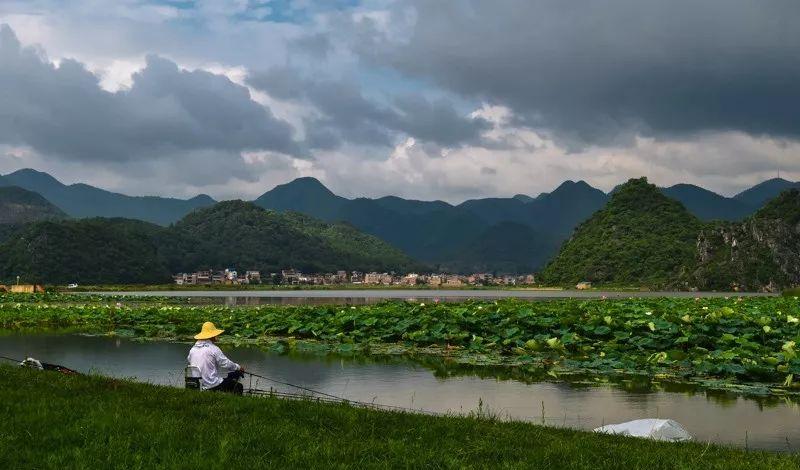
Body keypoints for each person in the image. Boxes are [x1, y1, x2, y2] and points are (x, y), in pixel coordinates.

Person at [187, 321, 245, 394]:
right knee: (239, 386)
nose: (217, 336)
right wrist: (239, 367)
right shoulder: (213, 348)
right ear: (212, 336)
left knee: (228, 378)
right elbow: (225, 363)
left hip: (197, 382)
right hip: (211, 384)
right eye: (215, 335)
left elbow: (189, 359)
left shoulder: (193, 349)